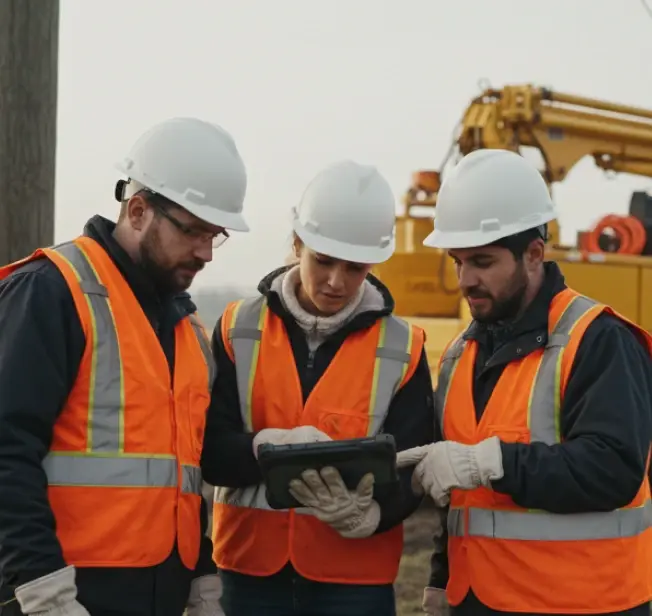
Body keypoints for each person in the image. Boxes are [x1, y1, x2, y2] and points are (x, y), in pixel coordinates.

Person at [0, 117, 249, 616]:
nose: (205, 252)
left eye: (215, 234)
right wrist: (41, 589)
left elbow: (179, 475)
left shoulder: (187, 328)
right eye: (194, 230)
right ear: (138, 210)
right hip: (60, 593)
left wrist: (200, 575)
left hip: (158, 593)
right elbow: (7, 450)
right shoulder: (52, 292)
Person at [396, 148, 652, 616]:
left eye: (482, 262)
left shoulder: (599, 339)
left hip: (582, 604)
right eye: (457, 261)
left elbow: (612, 469)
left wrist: (493, 461)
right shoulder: (460, 354)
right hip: (479, 600)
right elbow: (460, 496)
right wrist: (441, 577)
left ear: (534, 254)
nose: (465, 280)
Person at [200, 160, 436, 616]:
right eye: (323, 261)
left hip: (354, 580)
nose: (336, 282)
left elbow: (413, 468)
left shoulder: (404, 348)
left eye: (355, 268)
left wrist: (373, 516)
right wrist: (264, 448)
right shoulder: (237, 328)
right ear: (296, 244)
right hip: (248, 572)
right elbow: (209, 450)